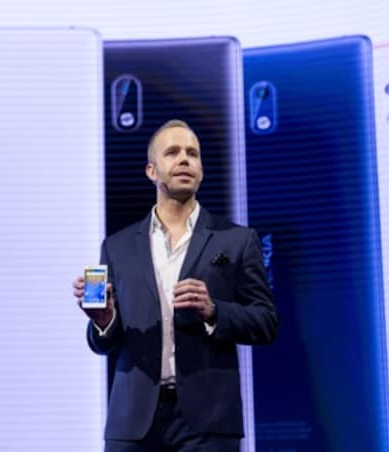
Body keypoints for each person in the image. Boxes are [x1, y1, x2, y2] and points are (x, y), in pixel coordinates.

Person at [73, 119, 278, 451]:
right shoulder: (118, 246)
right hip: (133, 422)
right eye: (173, 153)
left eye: (192, 154)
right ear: (152, 171)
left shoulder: (237, 240)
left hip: (209, 422)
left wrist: (214, 312)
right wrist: (103, 321)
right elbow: (104, 343)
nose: (185, 160)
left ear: (201, 170)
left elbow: (266, 321)